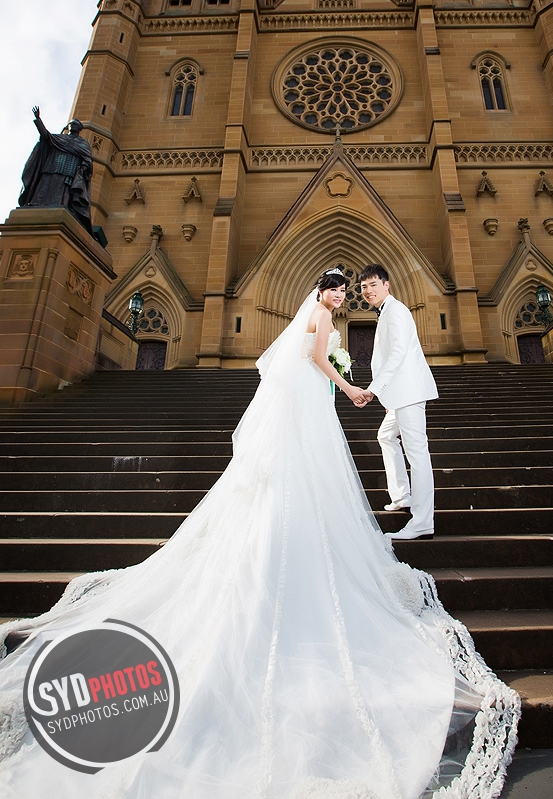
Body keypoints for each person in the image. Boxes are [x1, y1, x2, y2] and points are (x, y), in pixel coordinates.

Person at [0, 268, 519, 799]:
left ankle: (406, 507)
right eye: (341, 290)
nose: (347, 296)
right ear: (322, 292)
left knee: (322, 467)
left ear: (374, 288)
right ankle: (393, 511)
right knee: (318, 470)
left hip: (340, 397)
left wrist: (359, 385)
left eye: (353, 290)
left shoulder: (371, 313)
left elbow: (347, 355)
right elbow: (319, 358)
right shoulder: (323, 318)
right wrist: (348, 384)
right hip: (319, 398)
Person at [358, 265, 438, 542]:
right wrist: (388, 396)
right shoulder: (387, 311)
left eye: (373, 284)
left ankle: (422, 521)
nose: (368, 291)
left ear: (386, 285)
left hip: (409, 392)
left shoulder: (396, 310)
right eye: (364, 287)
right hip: (400, 394)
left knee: (418, 454)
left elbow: (399, 353)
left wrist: (374, 390)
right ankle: (402, 495)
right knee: (385, 436)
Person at [19, 107, 94, 235]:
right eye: (71, 124)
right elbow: (46, 136)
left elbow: (87, 159)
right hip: (52, 166)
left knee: (63, 192)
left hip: (68, 171)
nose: (72, 126)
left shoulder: (83, 144)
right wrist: (38, 119)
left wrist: (84, 167)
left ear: (79, 129)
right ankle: (37, 203)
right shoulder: (59, 138)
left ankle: (63, 205)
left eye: (74, 125)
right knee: (45, 186)